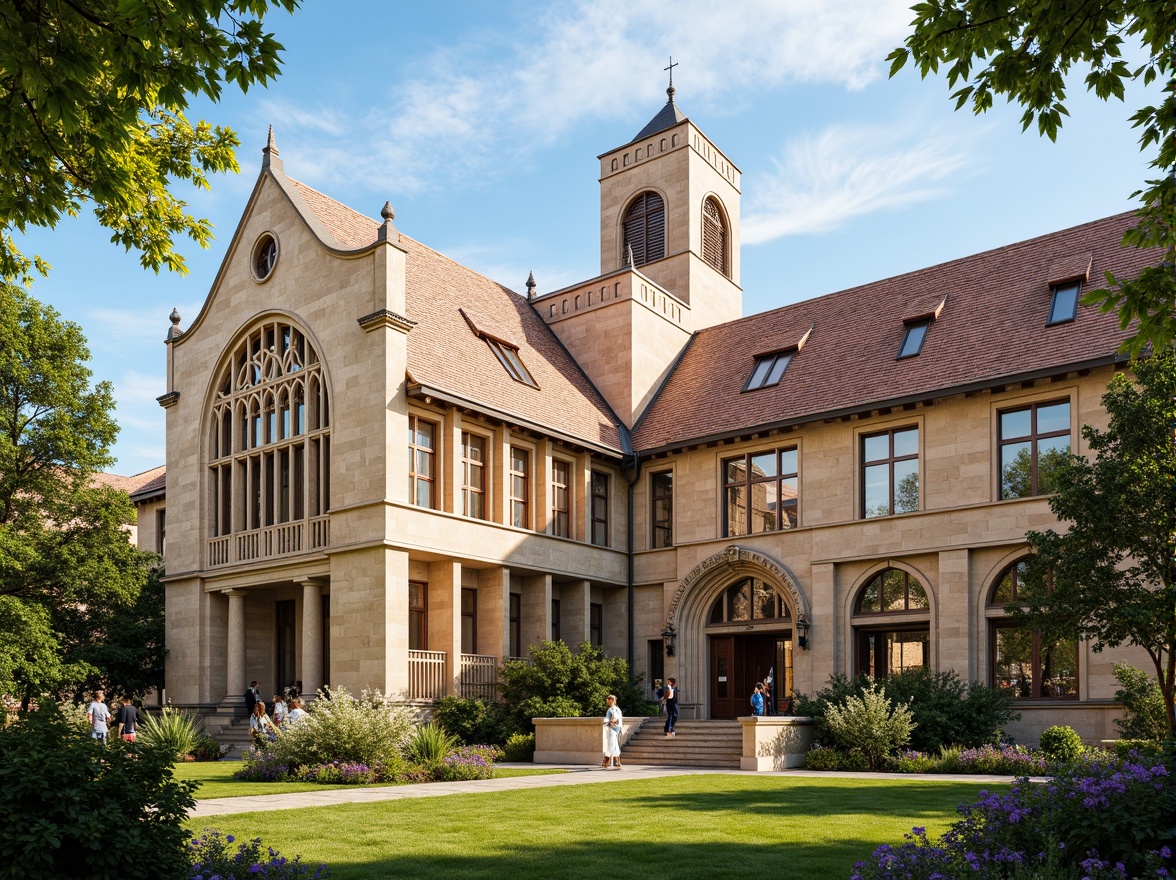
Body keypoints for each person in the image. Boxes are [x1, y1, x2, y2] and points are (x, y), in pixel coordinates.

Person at [601, 694, 623, 770]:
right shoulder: (610, 710)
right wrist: (607, 721)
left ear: (614, 701)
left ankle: (609, 759)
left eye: (611, 700)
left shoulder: (616, 709)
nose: (610, 701)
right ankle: (613, 759)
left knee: (613, 743)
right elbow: (608, 718)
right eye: (609, 700)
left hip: (615, 728)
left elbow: (619, 718)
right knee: (612, 743)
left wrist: (616, 722)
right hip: (612, 727)